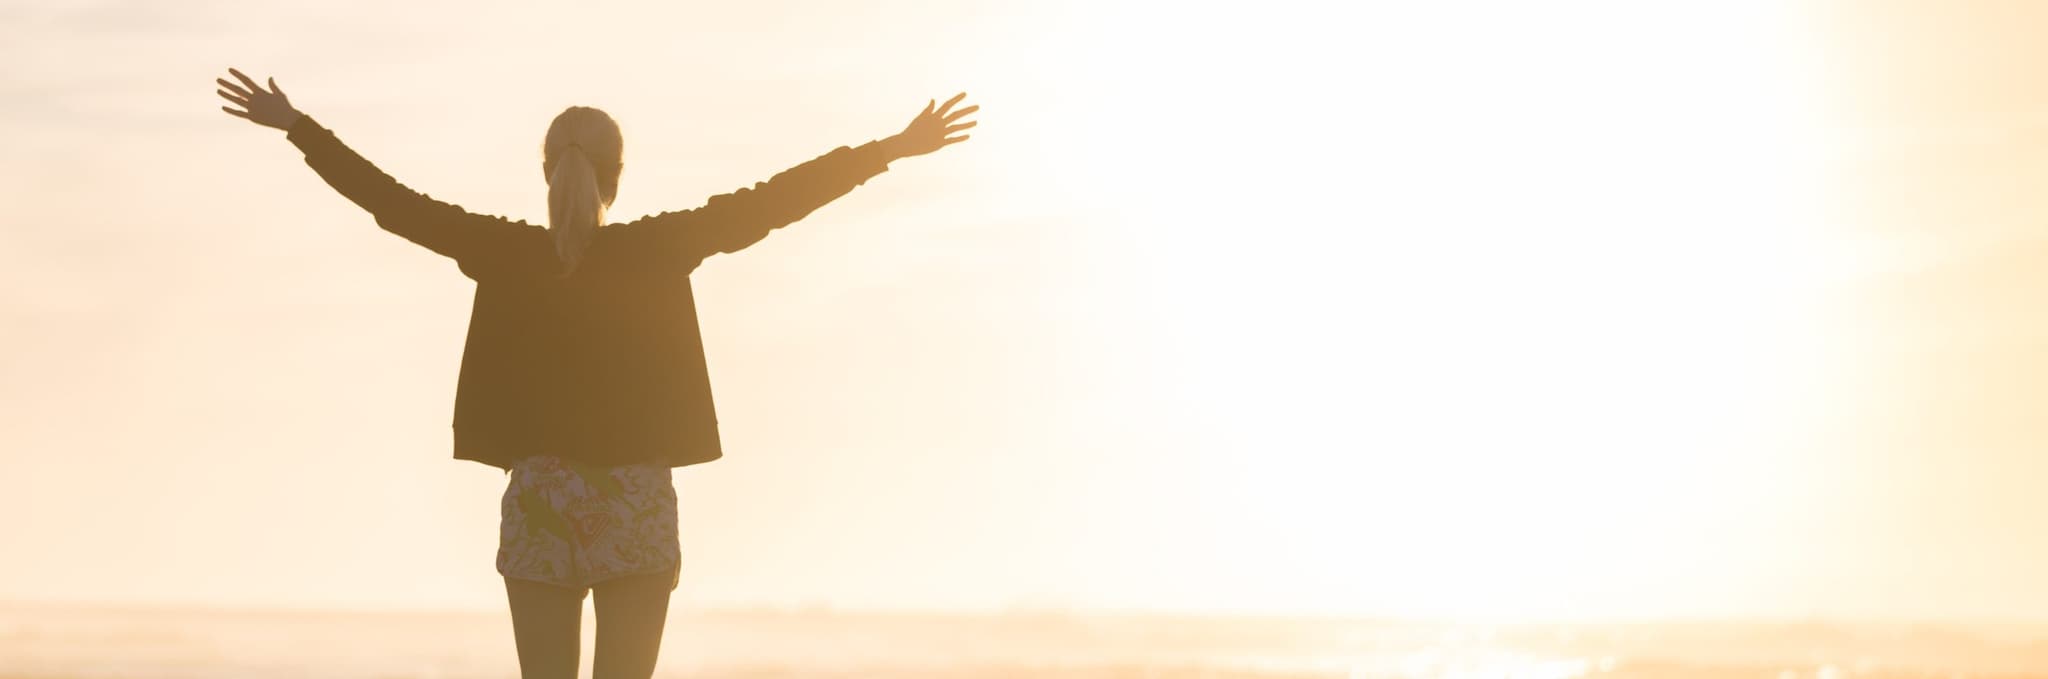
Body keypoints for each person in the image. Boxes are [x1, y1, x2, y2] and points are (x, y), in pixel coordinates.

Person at [214, 67, 976, 679]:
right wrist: (891, 149)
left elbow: (393, 204)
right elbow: (773, 202)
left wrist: (299, 129)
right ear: (616, 175)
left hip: (542, 497)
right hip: (635, 503)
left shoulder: (504, 252)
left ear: (547, 170)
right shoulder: (660, 246)